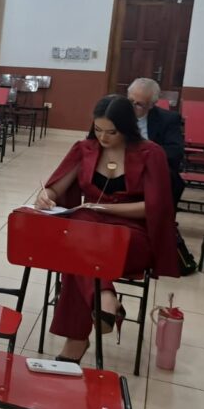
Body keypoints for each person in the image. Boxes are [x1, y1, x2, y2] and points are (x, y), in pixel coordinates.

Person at [35, 95, 178, 363]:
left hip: (131, 232)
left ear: (126, 128)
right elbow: (55, 187)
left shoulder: (150, 153)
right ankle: (105, 297)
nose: (103, 137)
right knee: (77, 236)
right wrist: (46, 195)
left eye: (111, 132)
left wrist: (105, 208)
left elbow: (155, 207)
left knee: (75, 253)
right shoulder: (84, 149)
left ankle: (77, 340)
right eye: (98, 129)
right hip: (89, 228)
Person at [126, 78, 185, 202]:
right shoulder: (115, 113)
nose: (132, 106)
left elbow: (175, 151)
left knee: (171, 180)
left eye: (139, 104)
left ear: (151, 105)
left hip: (150, 167)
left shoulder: (168, 119)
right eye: (130, 101)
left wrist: (145, 153)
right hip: (121, 164)